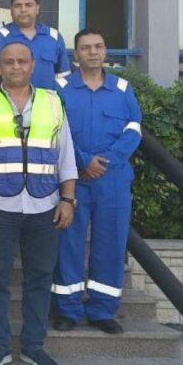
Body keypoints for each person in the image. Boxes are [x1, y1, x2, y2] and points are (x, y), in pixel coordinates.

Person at [0, 42, 77, 365]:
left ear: (32, 65)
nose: (15, 67)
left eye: (21, 61)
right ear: (0, 67)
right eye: (8, 62)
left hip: (45, 205)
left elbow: (66, 155)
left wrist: (68, 199)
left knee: (40, 277)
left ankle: (34, 346)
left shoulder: (52, 101)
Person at [52, 29, 143, 335]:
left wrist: (104, 163)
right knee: (68, 243)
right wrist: (83, 161)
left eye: (98, 46)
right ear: (75, 53)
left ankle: (103, 310)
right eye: (86, 47)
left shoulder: (122, 88)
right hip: (73, 178)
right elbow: (55, 129)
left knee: (110, 242)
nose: (93, 52)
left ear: (105, 51)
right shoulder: (60, 87)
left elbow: (134, 129)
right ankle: (67, 309)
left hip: (112, 180)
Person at [0, 0, 70, 90]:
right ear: (11, 10)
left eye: (28, 5)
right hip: (9, 98)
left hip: (47, 98)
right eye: (18, 6)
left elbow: (64, 75)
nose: (23, 10)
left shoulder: (54, 36)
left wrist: (58, 95)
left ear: (37, 8)